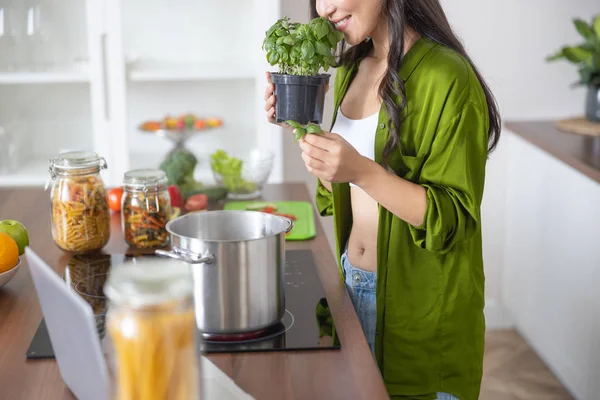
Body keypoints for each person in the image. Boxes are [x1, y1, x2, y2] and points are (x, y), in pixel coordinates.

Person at [264, 0, 501, 399]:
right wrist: (302, 127)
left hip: (420, 313)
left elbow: (453, 218)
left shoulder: (448, 76)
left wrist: (362, 171)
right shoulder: (352, 70)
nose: (324, 7)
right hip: (352, 286)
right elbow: (343, 190)